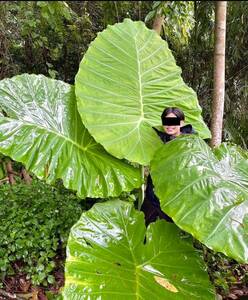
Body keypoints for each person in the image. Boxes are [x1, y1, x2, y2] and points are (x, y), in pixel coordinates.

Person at [141, 107, 196, 225]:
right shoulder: (158, 138)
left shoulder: (190, 142)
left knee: (171, 230)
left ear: (182, 123)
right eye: (166, 122)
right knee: (142, 225)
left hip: (176, 194)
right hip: (154, 192)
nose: (170, 125)